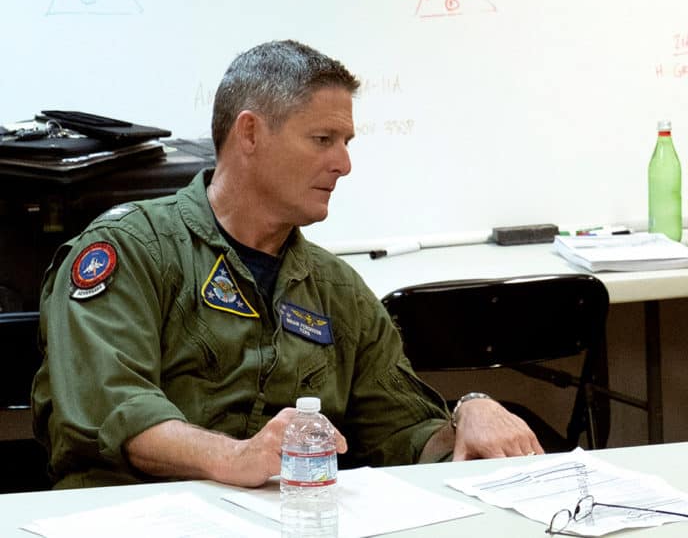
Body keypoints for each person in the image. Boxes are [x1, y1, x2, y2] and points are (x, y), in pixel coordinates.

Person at [31, 40, 543, 489]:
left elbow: (398, 431)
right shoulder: (132, 251)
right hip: (134, 514)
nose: (343, 164)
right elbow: (111, 409)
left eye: (346, 143)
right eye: (323, 140)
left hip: (291, 518)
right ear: (249, 134)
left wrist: (468, 417)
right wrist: (235, 457)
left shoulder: (335, 289)